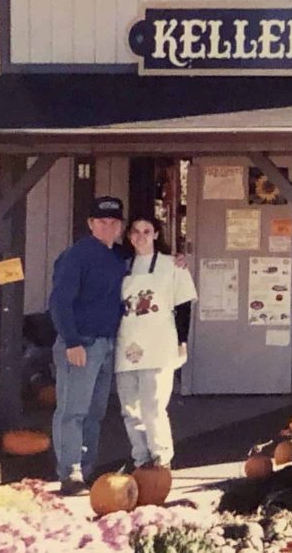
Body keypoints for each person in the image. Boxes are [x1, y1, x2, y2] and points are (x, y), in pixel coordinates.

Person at [48, 196, 126, 495]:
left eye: (114, 222)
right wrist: (72, 341)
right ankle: (70, 473)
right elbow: (60, 302)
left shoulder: (118, 257)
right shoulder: (76, 256)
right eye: (102, 222)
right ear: (91, 224)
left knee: (96, 412)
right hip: (82, 344)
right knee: (73, 411)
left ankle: (87, 467)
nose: (108, 227)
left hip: (107, 344)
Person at [115, 213, 197, 470]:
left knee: (154, 407)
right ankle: (141, 460)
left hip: (159, 343)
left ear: (156, 234)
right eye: (136, 232)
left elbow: (184, 306)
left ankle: (161, 461)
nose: (141, 236)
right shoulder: (120, 265)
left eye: (147, 231)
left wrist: (182, 340)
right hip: (126, 344)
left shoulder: (172, 265)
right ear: (129, 236)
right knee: (130, 409)